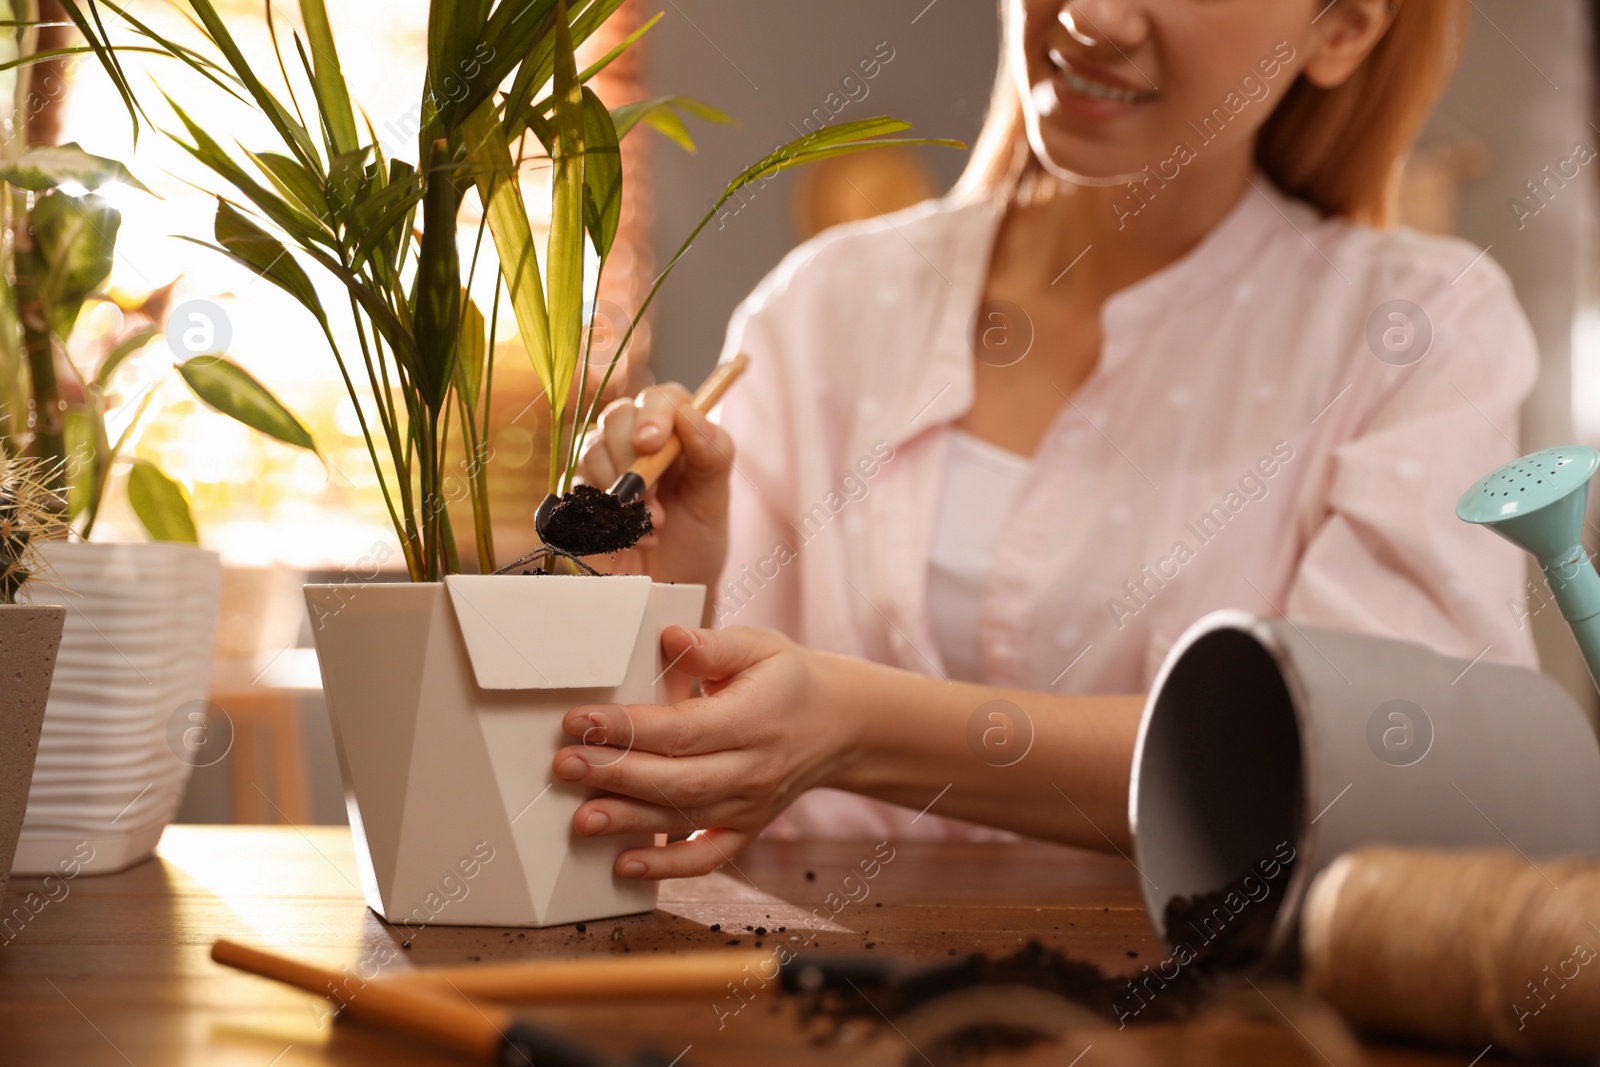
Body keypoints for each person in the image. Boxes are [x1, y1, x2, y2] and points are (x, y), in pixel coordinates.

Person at [557, 0, 1537, 880]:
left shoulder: (1416, 325)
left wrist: (856, 728)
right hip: (811, 997)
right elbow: (666, 755)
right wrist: (665, 599)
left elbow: (1376, 764)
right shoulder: (824, 306)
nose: (1098, 17)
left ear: (1344, 27)